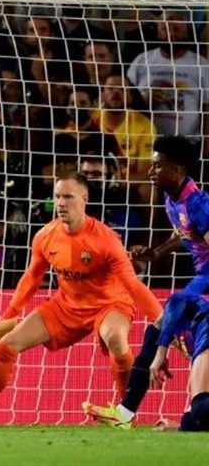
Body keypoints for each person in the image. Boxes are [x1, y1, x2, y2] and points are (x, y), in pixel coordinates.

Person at [0, 170, 163, 427]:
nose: (60, 203)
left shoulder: (106, 240)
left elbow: (133, 285)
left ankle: (126, 415)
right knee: (7, 344)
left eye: (68, 197)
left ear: (84, 199)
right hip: (66, 305)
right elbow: (32, 277)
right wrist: (9, 315)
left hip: (110, 304)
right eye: (57, 196)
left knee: (116, 338)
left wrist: (163, 320)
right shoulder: (45, 236)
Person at [84, 135, 209, 429]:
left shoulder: (199, 205)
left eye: (157, 165)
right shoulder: (172, 198)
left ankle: (128, 413)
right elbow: (185, 234)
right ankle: (126, 413)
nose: (150, 171)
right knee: (158, 330)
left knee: (165, 326)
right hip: (201, 277)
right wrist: (157, 252)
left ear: (177, 170)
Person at [149, 291, 209, 432]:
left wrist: (160, 352)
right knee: (199, 412)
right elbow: (199, 420)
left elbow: (175, 300)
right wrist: (179, 427)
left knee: (200, 409)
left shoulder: (197, 307)